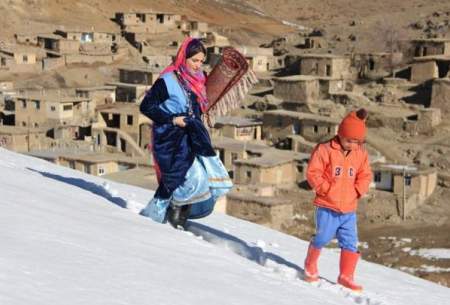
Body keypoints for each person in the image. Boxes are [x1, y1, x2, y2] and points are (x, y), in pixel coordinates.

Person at [139, 38, 232, 229]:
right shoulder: (167, 80)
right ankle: (162, 221)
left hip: (190, 135)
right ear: (184, 57)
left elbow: (198, 106)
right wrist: (172, 119)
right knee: (178, 177)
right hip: (169, 137)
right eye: (194, 61)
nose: (198, 66)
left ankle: (178, 221)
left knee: (198, 177)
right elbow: (146, 106)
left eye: (201, 61)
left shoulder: (199, 80)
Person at [303, 108, 372, 292]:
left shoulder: (361, 154)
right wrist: (326, 189)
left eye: (357, 142)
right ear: (340, 134)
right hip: (327, 206)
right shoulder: (325, 149)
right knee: (322, 237)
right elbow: (313, 172)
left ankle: (346, 276)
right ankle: (310, 265)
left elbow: (365, 175)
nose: (352, 144)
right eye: (349, 140)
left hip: (349, 209)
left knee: (350, 242)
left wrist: (358, 190)